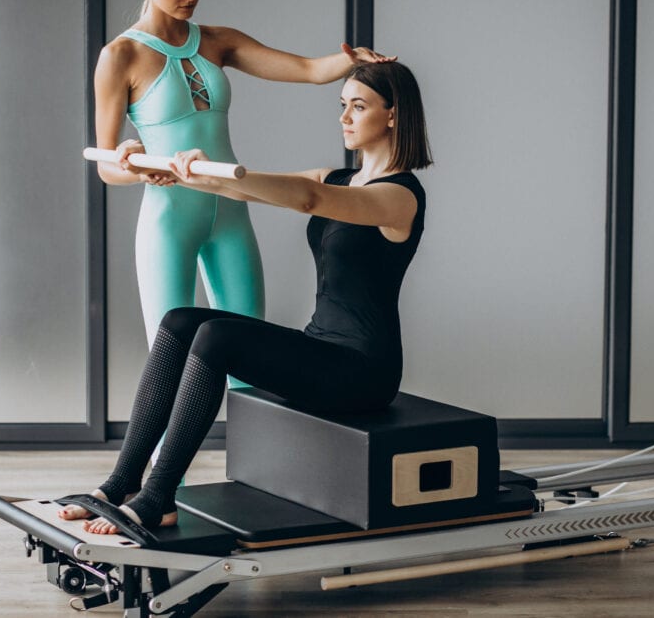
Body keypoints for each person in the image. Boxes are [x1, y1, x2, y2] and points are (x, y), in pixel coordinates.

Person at [60, 61, 432, 532]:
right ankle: (120, 482)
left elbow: (304, 198)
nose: (344, 117)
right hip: (321, 347)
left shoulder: (400, 197)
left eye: (358, 107)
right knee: (178, 321)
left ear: (394, 115)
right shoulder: (338, 177)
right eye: (343, 105)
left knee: (216, 338)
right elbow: (242, 185)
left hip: (363, 371)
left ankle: (159, 496)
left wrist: (202, 174)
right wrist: (170, 168)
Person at [97, 0, 395, 350]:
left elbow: (307, 69)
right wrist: (133, 166)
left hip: (230, 209)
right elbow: (106, 163)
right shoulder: (120, 56)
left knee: (247, 350)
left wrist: (351, 59)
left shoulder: (219, 41)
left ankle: (245, 419)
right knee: (169, 356)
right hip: (170, 217)